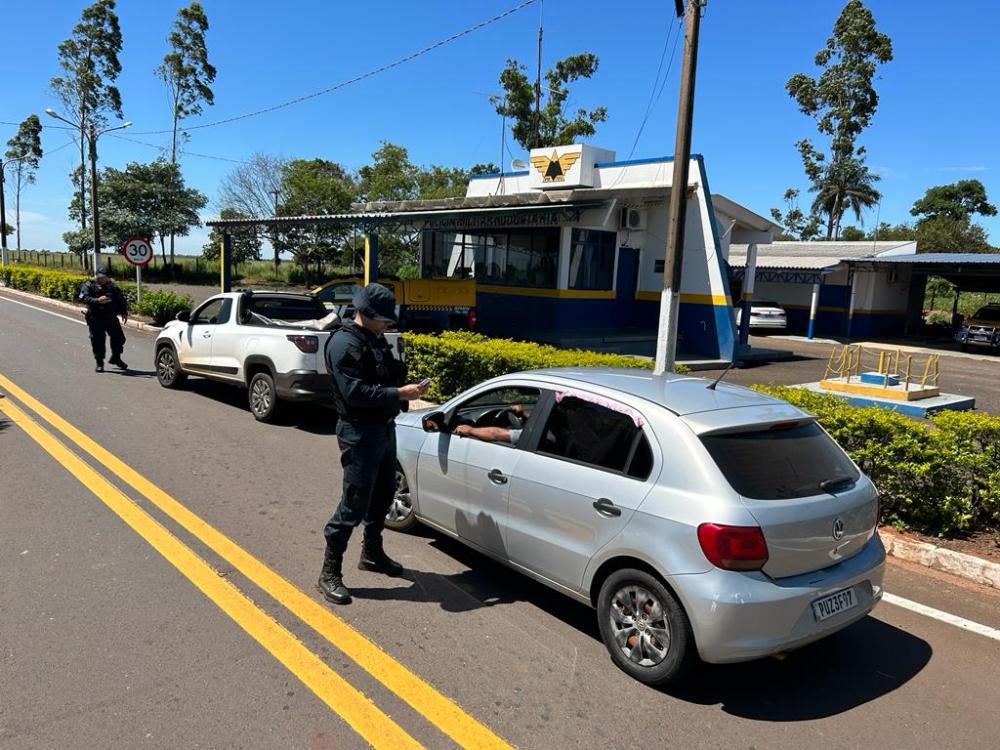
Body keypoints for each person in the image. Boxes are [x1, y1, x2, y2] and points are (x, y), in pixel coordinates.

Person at [318, 283, 428, 606]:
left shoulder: (374, 338)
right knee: (354, 503)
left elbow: (385, 374)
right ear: (365, 314)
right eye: (383, 318)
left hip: (383, 428)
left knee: (383, 495)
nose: (388, 323)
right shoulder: (344, 343)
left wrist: (402, 381)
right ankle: (329, 571)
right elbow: (355, 393)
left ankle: (371, 553)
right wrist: (398, 393)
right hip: (358, 432)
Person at [78, 265, 129, 373]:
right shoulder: (89, 285)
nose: (102, 279)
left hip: (111, 317)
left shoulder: (112, 286)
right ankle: (99, 363)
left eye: (104, 277)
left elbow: (120, 299)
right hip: (96, 318)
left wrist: (124, 312)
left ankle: (116, 357)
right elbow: (83, 297)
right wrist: (97, 300)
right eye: (100, 277)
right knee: (98, 341)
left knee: (119, 338)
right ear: (96, 276)